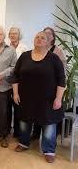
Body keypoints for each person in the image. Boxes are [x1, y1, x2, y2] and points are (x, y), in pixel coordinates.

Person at [12, 31, 65, 163]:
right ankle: (24, 143)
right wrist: (16, 93)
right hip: (26, 98)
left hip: (47, 100)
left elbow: (61, 80)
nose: (39, 39)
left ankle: (49, 150)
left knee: (49, 125)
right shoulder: (24, 56)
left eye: (43, 38)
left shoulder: (54, 59)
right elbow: (15, 75)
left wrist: (58, 98)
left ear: (48, 42)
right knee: (24, 121)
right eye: (37, 37)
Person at [32, 27, 67, 140]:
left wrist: (58, 96)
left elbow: (62, 73)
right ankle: (36, 135)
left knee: (48, 117)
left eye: (48, 34)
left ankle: (49, 147)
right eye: (42, 35)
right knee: (37, 113)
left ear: (52, 38)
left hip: (51, 91)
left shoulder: (57, 52)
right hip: (36, 90)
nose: (44, 36)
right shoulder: (35, 51)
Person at [7, 27, 29, 137]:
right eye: (11, 33)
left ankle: (17, 132)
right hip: (6, 81)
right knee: (6, 107)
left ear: (19, 35)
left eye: (15, 33)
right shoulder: (6, 47)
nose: (13, 35)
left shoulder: (24, 47)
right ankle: (6, 129)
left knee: (18, 106)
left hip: (19, 81)